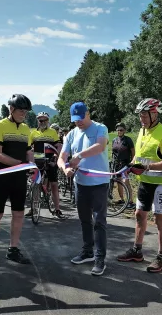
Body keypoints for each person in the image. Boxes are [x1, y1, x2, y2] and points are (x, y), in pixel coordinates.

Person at [116, 98, 162, 273]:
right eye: (140, 116)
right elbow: (139, 156)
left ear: (155, 114)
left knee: (159, 218)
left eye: (144, 115)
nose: (142, 119)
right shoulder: (142, 130)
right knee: (140, 215)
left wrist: (147, 167)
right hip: (145, 182)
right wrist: (130, 166)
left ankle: (161, 256)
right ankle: (137, 250)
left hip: (160, 184)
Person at [57, 101, 110, 276]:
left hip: (100, 183)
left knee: (99, 222)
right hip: (80, 184)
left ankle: (100, 257)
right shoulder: (71, 134)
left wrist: (78, 156)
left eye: (80, 118)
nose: (78, 122)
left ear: (88, 113)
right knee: (84, 220)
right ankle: (87, 251)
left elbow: (100, 146)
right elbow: (62, 157)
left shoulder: (100, 128)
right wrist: (66, 169)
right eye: (75, 120)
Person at [0, 94, 34, 268]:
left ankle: (13, 249)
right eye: (21, 110)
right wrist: (19, 164)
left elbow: (28, 151)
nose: (24, 113)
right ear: (11, 109)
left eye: (26, 111)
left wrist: (32, 164)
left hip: (19, 178)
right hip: (2, 176)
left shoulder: (26, 129)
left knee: (18, 214)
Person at [26, 112, 64, 218]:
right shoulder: (33, 133)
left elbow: (59, 145)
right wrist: (31, 161)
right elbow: (28, 149)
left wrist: (57, 157)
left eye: (44, 120)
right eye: (40, 120)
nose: (42, 122)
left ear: (47, 121)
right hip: (38, 161)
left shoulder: (52, 132)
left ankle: (57, 209)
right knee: (35, 184)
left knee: (54, 185)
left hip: (50, 161)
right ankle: (34, 208)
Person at [112, 122, 136, 209]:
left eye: (121, 130)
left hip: (125, 164)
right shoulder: (114, 140)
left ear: (124, 130)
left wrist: (132, 162)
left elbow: (133, 152)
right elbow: (113, 152)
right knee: (118, 182)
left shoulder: (128, 140)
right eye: (118, 130)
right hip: (117, 164)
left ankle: (130, 201)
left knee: (126, 182)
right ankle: (122, 199)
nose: (119, 131)